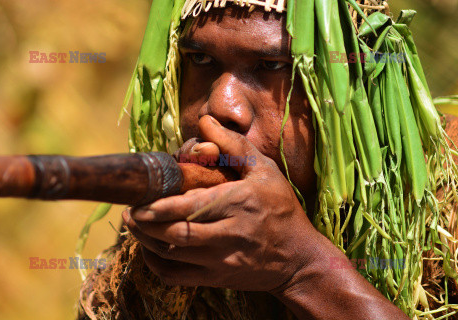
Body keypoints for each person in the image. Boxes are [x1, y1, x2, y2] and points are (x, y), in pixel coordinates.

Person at [78, 0, 458, 319]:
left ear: (358, 87)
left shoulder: (449, 190)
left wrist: (302, 269)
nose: (219, 107)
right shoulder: (167, 237)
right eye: (200, 58)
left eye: (272, 66)